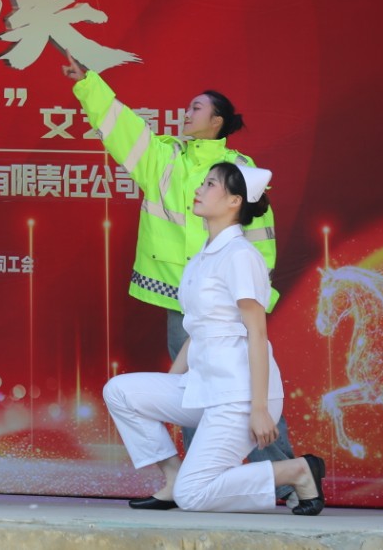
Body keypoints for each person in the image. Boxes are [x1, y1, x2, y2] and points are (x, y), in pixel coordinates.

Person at [62, 57, 295, 494]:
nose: (186, 114)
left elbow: (261, 236)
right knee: (193, 392)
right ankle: (196, 480)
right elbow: (121, 126)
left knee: (254, 390)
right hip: (180, 298)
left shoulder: (240, 170)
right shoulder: (163, 158)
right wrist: (88, 83)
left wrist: (254, 295)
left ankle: (286, 477)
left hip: (234, 303)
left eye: (196, 108)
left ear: (217, 121)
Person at [103, 162, 326, 514]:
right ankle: (173, 478)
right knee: (121, 391)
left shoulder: (241, 256)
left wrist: (259, 408)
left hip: (238, 395)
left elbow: (257, 333)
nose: (199, 189)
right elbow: (199, 330)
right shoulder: (202, 259)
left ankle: (295, 471)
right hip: (203, 387)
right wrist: (168, 385)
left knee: (194, 496)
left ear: (234, 201)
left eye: (209, 184)